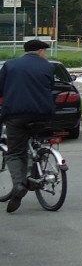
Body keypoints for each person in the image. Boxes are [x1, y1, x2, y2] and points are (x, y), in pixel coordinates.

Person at [0, 39, 56, 212]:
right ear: (40, 51)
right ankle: (37, 163)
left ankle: (19, 184)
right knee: (35, 141)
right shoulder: (48, 67)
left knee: (15, 152)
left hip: (16, 115)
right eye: (45, 51)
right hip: (43, 115)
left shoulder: (10, 65)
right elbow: (50, 86)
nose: (45, 54)